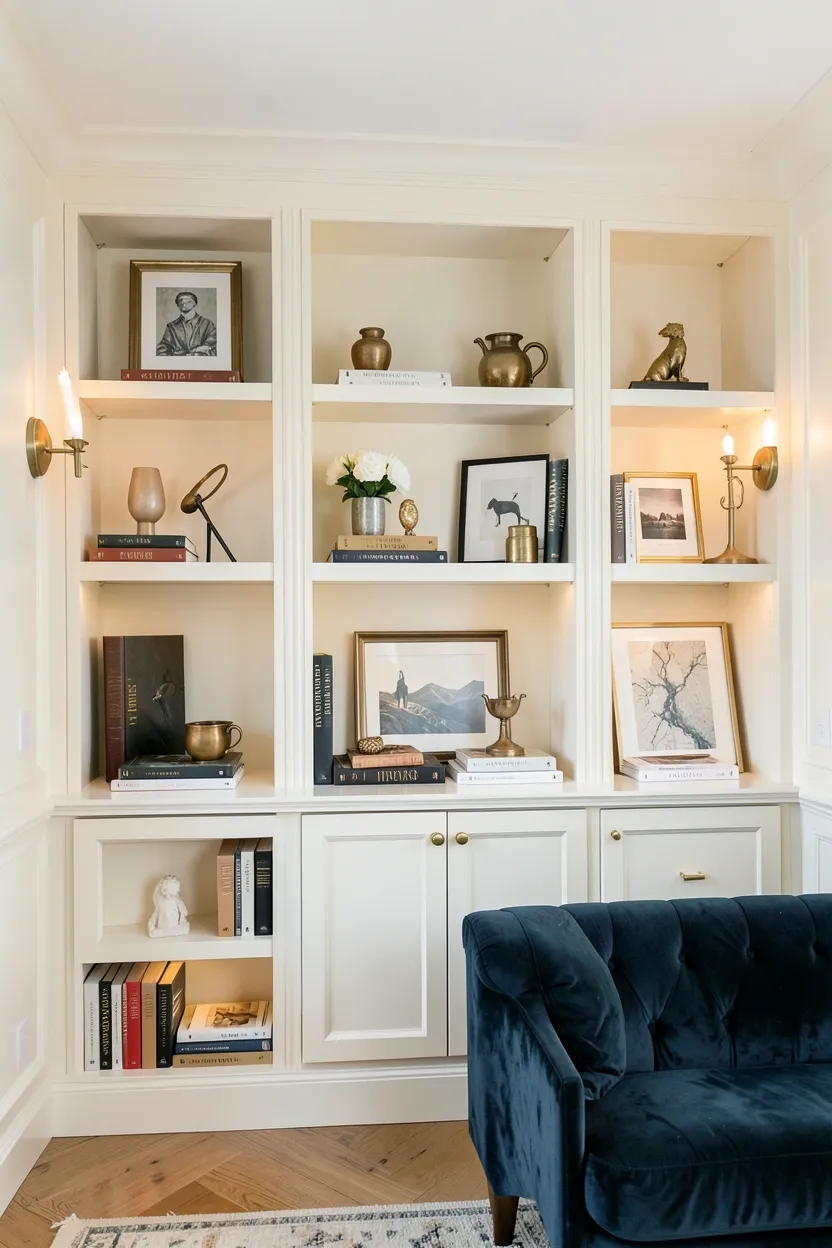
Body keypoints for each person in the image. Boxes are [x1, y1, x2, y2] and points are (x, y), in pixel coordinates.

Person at [157, 290, 217, 357]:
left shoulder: (207, 324)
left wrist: (195, 353)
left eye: (188, 301)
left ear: (194, 303)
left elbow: (212, 346)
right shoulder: (171, 326)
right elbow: (163, 348)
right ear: (177, 305)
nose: (183, 303)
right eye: (180, 301)